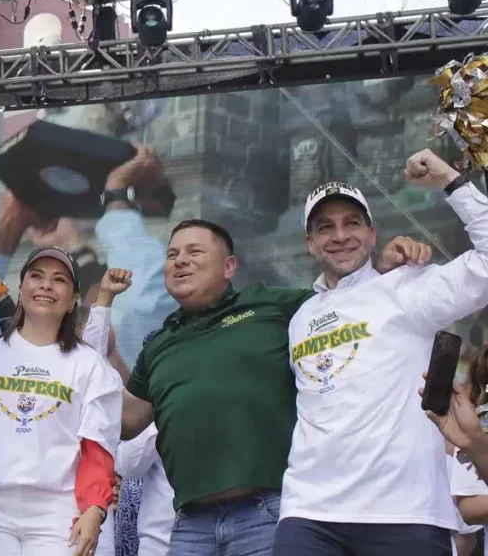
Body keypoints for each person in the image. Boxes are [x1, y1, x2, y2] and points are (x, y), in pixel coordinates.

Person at [120, 218, 430, 556]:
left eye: (195, 251)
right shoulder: (159, 343)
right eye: (172, 254)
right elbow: (124, 421)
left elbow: (343, 304)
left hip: (268, 511)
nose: (180, 260)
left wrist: (382, 270)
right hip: (190, 524)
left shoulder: (272, 306)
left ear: (229, 267)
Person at [273, 153, 488, 555]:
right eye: (325, 227)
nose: (340, 236)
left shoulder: (407, 289)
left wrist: (448, 180)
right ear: (310, 243)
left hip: (404, 512)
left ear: (372, 234)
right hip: (308, 513)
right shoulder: (300, 317)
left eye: (351, 223)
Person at [0, 248, 123, 556]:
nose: (45, 285)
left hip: (58, 509)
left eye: (59, 280)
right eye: (36, 276)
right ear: (21, 291)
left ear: (73, 301)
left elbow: (98, 447)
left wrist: (95, 508)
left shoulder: (90, 365)